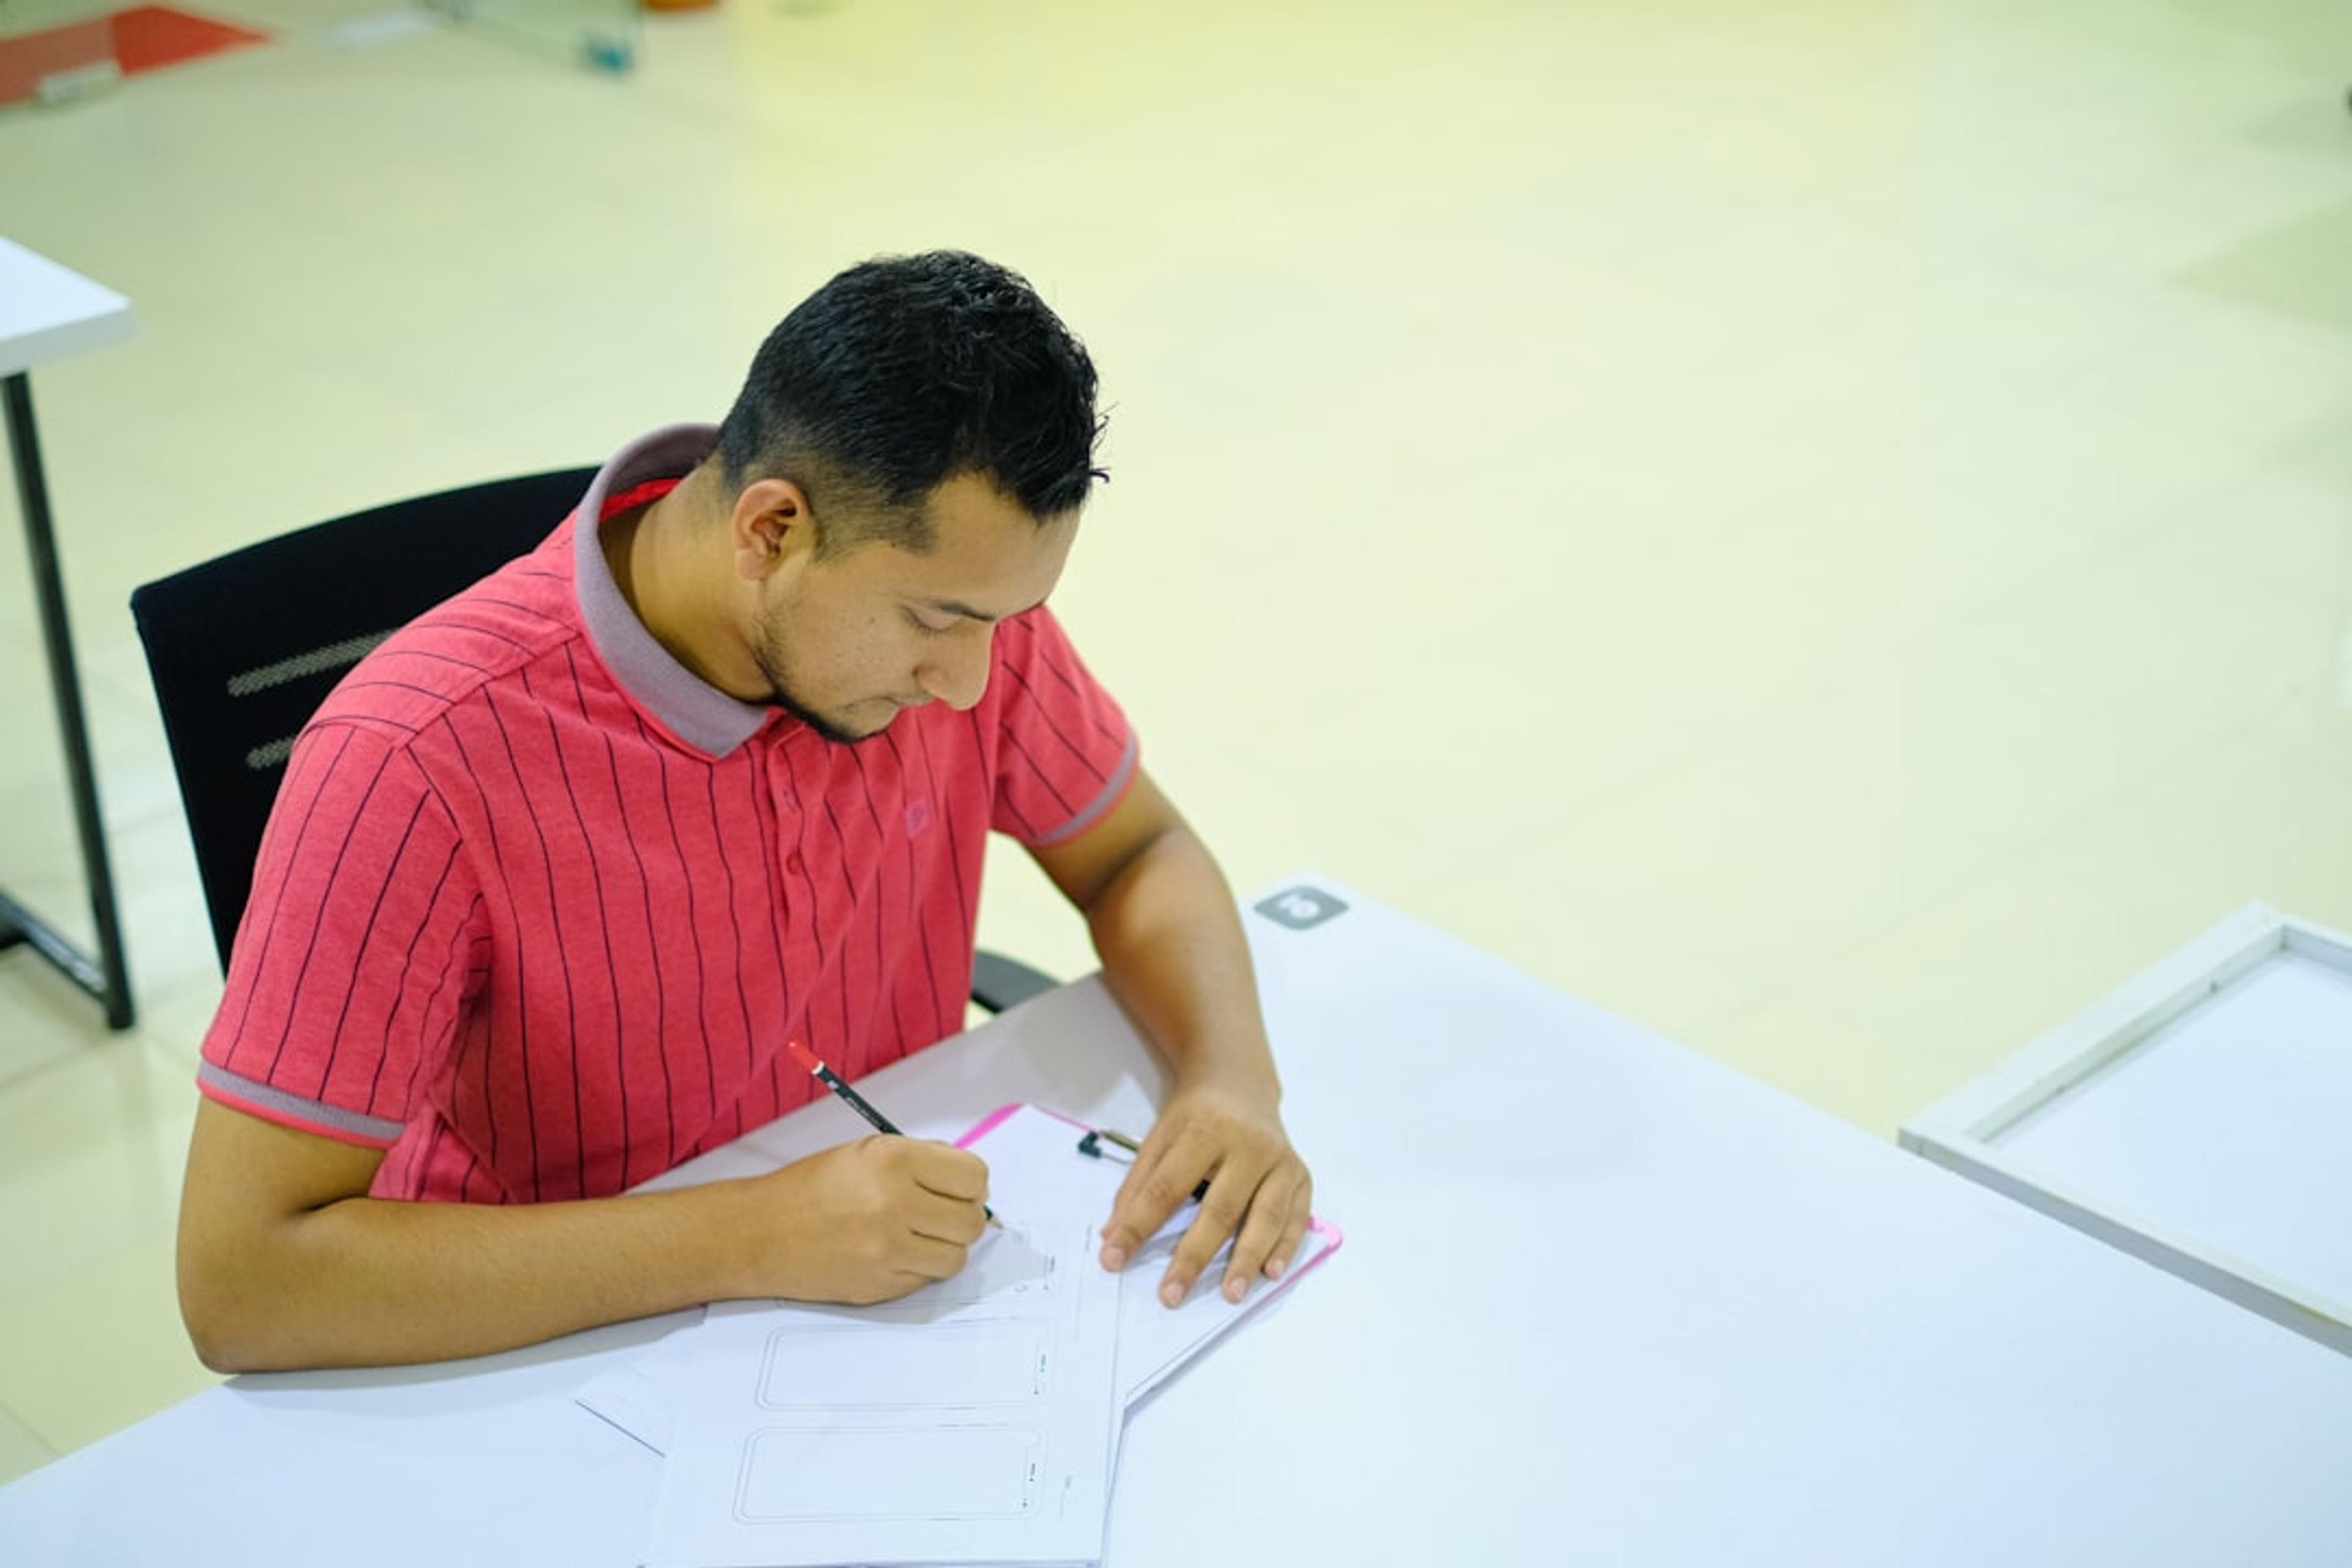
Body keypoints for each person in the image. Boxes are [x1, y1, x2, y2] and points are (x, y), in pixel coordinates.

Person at [176, 251, 1311, 1372]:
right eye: (935, 621)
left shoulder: (966, 625)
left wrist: (1228, 1080)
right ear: (771, 531)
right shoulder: (411, 759)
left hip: (881, 1300)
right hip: (539, 1352)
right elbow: (244, 1284)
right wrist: (753, 1235)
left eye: (1001, 622)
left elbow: (1138, 851)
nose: (967, 684)